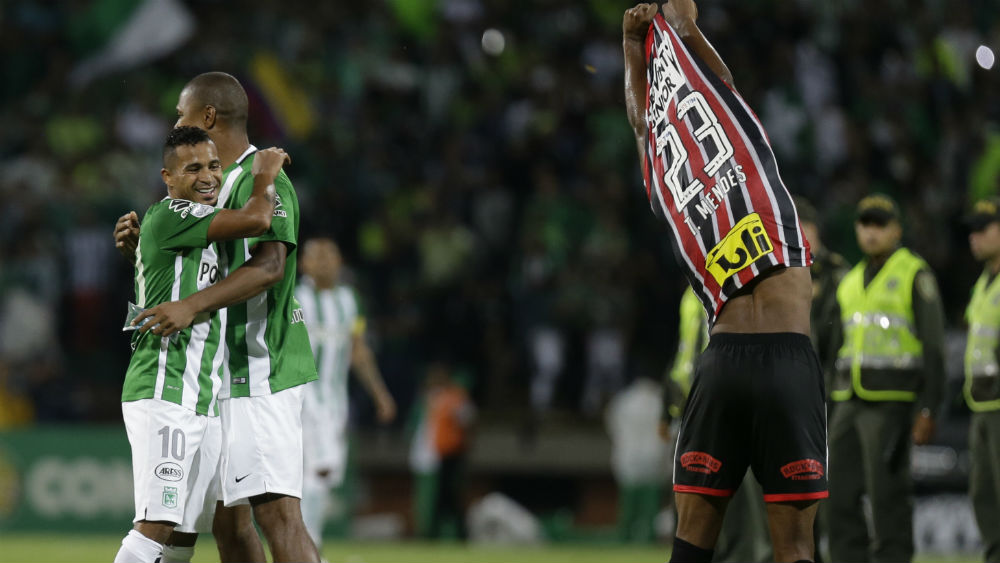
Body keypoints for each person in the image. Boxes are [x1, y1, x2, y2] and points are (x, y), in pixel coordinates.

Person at [623, 3, 827, 562]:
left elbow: (648, 132)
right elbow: (721, 90)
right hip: (786, 363)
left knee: (691, 542)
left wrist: (631, 47)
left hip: (721, 366)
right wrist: (683, 24)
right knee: (795, 547)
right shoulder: (769, 204)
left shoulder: (691, 215)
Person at [116, 72, 320, 563]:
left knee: (277, 514)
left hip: (260, 367)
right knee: (226, 519)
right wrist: (146, 253)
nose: (176, 123)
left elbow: (270, 265)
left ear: (207, 117)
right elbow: (200, 267)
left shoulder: (260, 177)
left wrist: (191, 306)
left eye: (181, 114)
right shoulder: (213, 183)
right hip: (213, 376)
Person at [828, 194, 944, 563]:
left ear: (896, 229)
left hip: (892, 401)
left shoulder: (912, 272)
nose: (872, 232)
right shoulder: (848, 282)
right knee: (839, 496)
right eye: (865, 223)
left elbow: (934, 348)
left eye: (880, 224)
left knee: (887, 498)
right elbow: (836, 347)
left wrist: (929, 408)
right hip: (849, 401)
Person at [295, 237, 397, 548]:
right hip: (301, 397)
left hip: (335, 401)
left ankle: (302, 545)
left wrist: (380, 393)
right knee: (316, 471)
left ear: (340, 263)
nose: (324, 261)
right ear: (304, 264)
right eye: (317, 256)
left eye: (331, 255)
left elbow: (359, 351)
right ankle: (308, 548)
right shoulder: (294, 297)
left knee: (319, 476)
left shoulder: (350, 301)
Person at [661, 287, 770, 562]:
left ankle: (738, 556)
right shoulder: (690, 292)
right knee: (689, 497)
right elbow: (682, 349)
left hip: (724, 405)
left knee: (733, 501)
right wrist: (666, 408)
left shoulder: (736, 283)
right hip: (689, 408)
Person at [961, 198, 1000, 563]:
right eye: (972, 230)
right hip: (982, 403)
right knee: (984, 493)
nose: (975, 237)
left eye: (984, 228)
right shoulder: (984, 282)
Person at [606, 375, 670, 543]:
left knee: (629, 504)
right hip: (653, 457)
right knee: (650, 506)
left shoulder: (623, 400)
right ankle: (647, 538)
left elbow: (613, 427)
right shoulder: (660, 400)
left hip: (629, 456)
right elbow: (670, 429)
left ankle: (625, 537)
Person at [426, 362, 475, 540]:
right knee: (446, 495)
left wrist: (466, 443)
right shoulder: (439, 397)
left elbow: (467, 419)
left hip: (454, 454)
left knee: (450, 495)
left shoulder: (455, 397)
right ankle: (441, 533)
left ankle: (449, 533)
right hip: (442, 454)